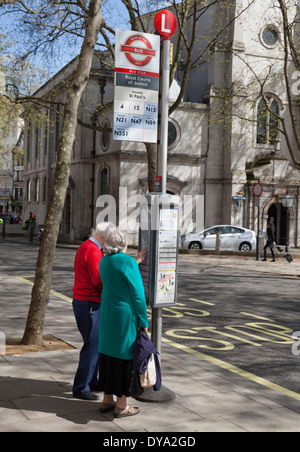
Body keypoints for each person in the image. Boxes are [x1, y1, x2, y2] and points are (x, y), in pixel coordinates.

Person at [98, 230, 149, 418]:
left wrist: (133, 261)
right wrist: (143, 320)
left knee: (108, 357)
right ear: (123, 244)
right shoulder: (127, 262)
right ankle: (121, 405)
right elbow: (138, 295)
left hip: (108, 314)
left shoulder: (104, 261)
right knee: (123, 359)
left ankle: (107, 399)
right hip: (124, 317)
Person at [72, 221, 115, 400]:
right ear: (105, 236)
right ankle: (81, 387)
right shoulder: (92, 250)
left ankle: (92, 380)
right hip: (89, 302)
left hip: (87, 301)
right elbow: (98, 281)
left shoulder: (89, 246)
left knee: (96, 345)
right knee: (92, 346)